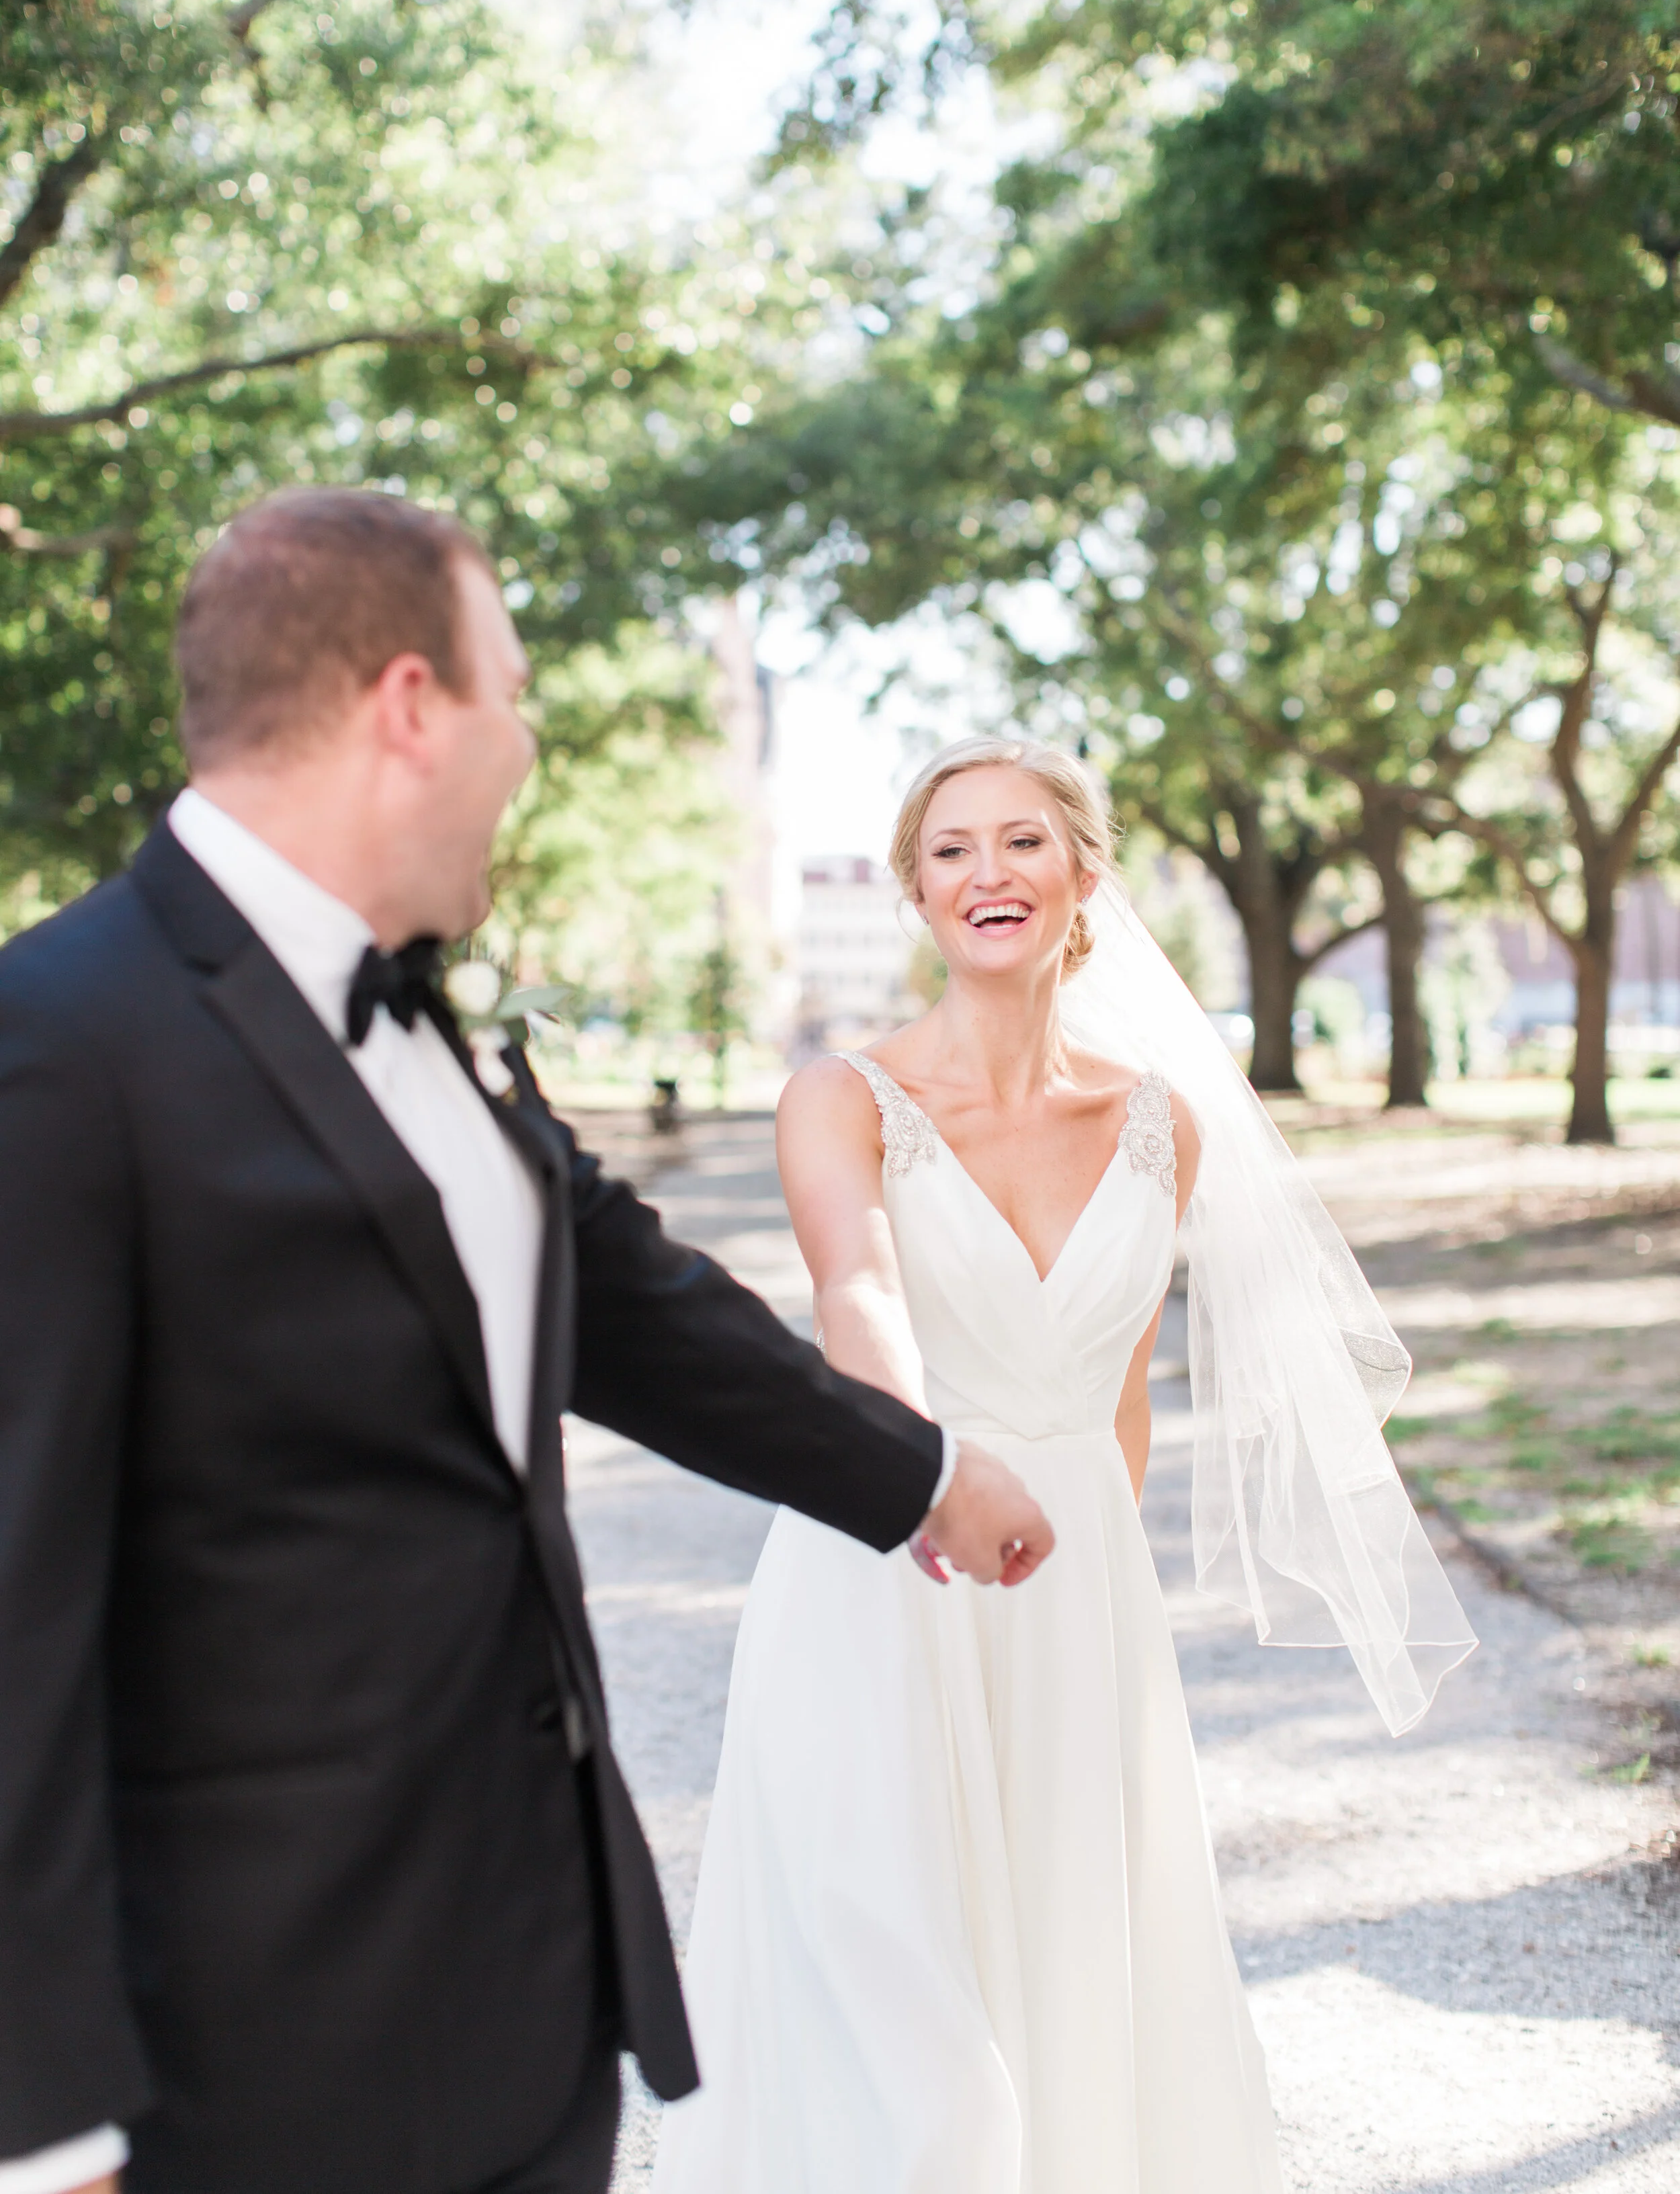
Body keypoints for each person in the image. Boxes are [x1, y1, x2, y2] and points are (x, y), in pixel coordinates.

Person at [0, 493, 1054, 2194]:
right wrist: (41, 2129)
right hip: (238, 2054)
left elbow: (626, 1305)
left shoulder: (433, 1019)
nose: (530, 742)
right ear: (410, 707)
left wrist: (919, 1472)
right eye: (514, 690)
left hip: (529, 2006)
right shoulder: (53, 1046)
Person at [653, 735, 1476, 2194]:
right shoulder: (840, 1097)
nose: (989, 872)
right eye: (953, 848)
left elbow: (1121, 1389)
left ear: (1084, 873)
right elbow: (858, 1294)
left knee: (1070, 1960)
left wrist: (1103, 1603)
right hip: (883, 1565)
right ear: (916, 890)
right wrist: (919, 1480)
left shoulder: (1162, 1123)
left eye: (1023, 840)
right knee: (893, 1990)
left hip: (1077, 1593)